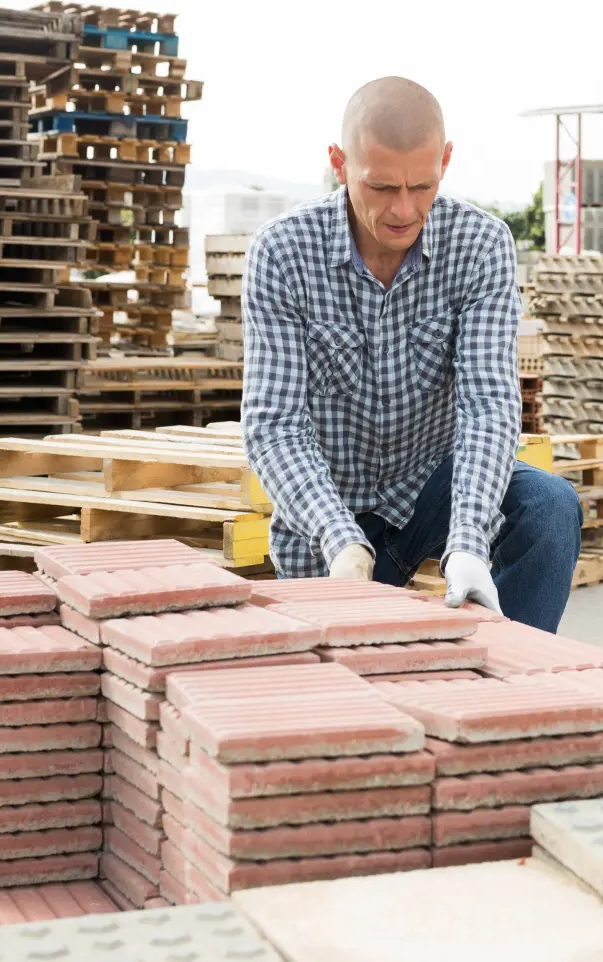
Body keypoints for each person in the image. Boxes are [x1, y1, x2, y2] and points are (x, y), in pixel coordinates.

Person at [240, 76, 582, 631]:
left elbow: (488, 406)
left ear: (445, 160)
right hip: (329, 518)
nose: (403, 209)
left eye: (422, 186)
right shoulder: (282, 253)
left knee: (549, 507)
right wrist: (340, 540)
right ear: (338, 162)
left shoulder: (480, 245)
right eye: (380, 188)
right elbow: (273, 425)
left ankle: (506, 686)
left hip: (429, 491)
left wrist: (470, 542)